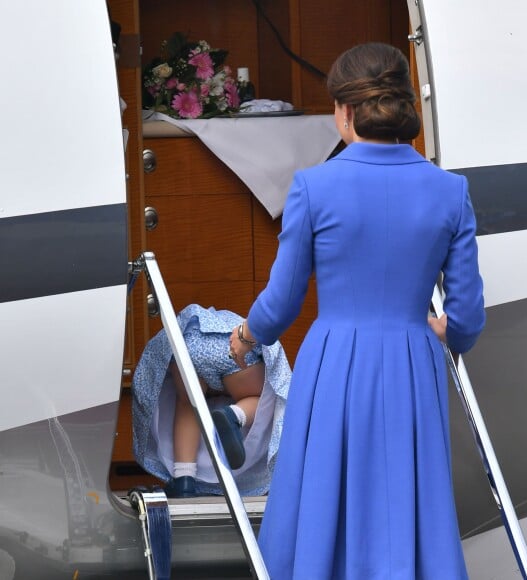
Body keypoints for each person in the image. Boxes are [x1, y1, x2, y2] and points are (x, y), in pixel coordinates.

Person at [228, 43, 485, 579]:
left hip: (335, 359)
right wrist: (445, 332)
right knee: (405, 493)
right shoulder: (450, 191)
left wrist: (248, 335)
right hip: (412, 357)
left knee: (326, 490)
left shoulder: (314, 188)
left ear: (345, 112)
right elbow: (466, 318)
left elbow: (282, 301)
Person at [132, 304, 291, 498]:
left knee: (188, 405)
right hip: (232, 346)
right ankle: (234, 415)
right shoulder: (241, 326)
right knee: (259, 397)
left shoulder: (192, 321)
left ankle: (183, 480)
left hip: (188, 344)